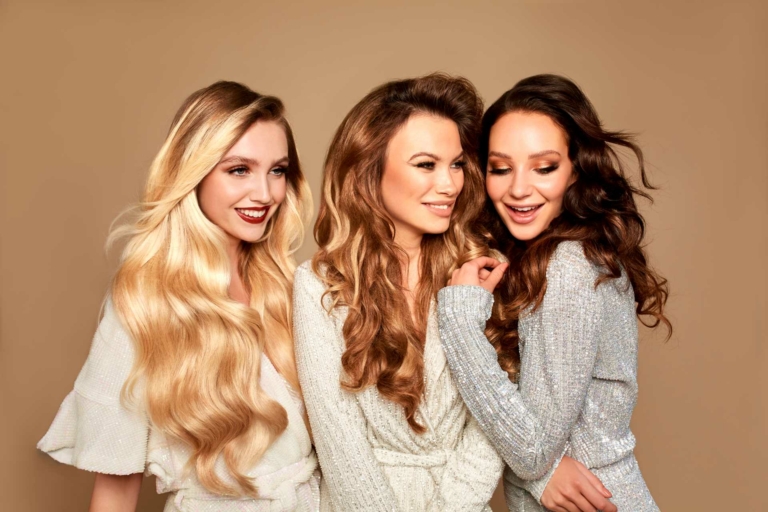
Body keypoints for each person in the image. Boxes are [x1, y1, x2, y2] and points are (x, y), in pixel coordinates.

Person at [38, 81, 319, 512]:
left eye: (277, 170)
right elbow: (115, 491)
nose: (265, 194)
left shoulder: (290, 287)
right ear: (193, 173)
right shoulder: (145, 301)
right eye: (239, 170)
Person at [438, 74, 669, 512]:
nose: (519, 189)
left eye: (544, 167)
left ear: (576, 168)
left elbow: (532, 451)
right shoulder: (563, 255)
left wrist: (460, 320)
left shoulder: (570, 265)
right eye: (501, 168)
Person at [292, 73, 504, 511]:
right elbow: (338, 443)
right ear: (370, 169)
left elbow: (493, 422)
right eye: (426, 164)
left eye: (457, 164)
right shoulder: (318, 284)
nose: (450, 184)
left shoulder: (483, 270)